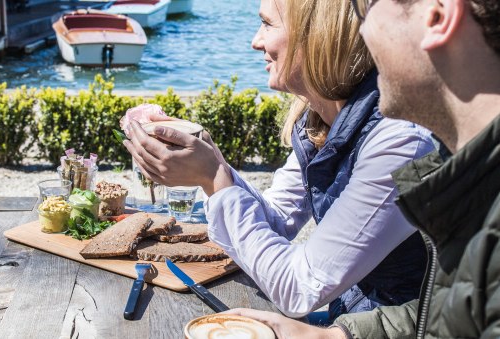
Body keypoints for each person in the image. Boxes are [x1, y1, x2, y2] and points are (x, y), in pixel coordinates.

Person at [123, 0, 435, 322]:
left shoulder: (400, 140)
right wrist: (209, 161)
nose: (256, 41)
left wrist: (214, 178)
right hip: (350, 316)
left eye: (267, 24)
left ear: (317, 35)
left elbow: (301, 289)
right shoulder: (320, 115)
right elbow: (279, 219)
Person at [223, 0, 500, 337]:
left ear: (438, 15)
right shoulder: (473, 174)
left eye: (365, 12)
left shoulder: (409, 144)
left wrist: (215, 179)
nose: (358, 35)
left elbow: (302, 285)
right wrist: (336, 335)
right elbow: (444, 308)